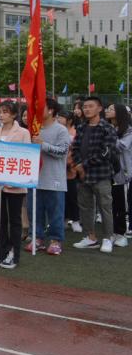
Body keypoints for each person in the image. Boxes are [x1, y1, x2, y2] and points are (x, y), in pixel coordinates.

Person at [0, 101, 32, 269]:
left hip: (15, 184)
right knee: (0, 219)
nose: (1, 115)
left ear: (13, 115)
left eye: (5, 112)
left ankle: (14, 254)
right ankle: (2, 252)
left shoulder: (23, 133)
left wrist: (15, 179)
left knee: (15, 219)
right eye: (0, 112)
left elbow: (26, 157)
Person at [71, 96, 119, 252]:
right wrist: (78, 165)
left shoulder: (107, 128)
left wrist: (83, 165)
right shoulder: (81, 127)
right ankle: (90, 237)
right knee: (85, 207)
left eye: (90, 106)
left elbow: (106, 153)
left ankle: (108, 238)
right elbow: (75, 148)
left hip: (101, 174)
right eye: (85, 106)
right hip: (83, 175)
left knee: (105, 207)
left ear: (99, 109)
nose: (86, 109)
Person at [29, 98, 71, 255]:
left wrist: (43, 144)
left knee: (55, 213)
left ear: (51, 110)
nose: (37, 110)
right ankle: (37, 238)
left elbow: (62, 152)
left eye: (41, 107)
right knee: (35, 211)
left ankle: (55, 240)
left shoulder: (61, 130)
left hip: (54, 179)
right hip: (34, 178)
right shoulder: (34, 129)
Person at [105, 103, 131, 248]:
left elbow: (121, 146)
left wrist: (107, 137)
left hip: (122, 173)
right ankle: (114, 232)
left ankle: (122, 234)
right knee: (112, 204)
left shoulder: (128, 130)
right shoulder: (110, 128)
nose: (107, 111)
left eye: (111, 109)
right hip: (109, 171)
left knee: (121, 204)